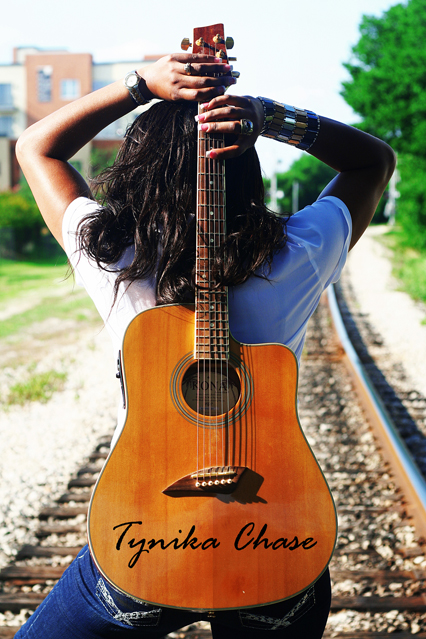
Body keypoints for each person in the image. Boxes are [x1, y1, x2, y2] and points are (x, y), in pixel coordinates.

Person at [15, 52, 395, 639]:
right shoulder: (299, 251)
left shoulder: (112, 256)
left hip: (142, 540)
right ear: (248, 169)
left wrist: (138, 86)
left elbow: (35, 148)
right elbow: (374, 161)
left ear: (138, 166)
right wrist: (269, 118)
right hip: (275, 539)